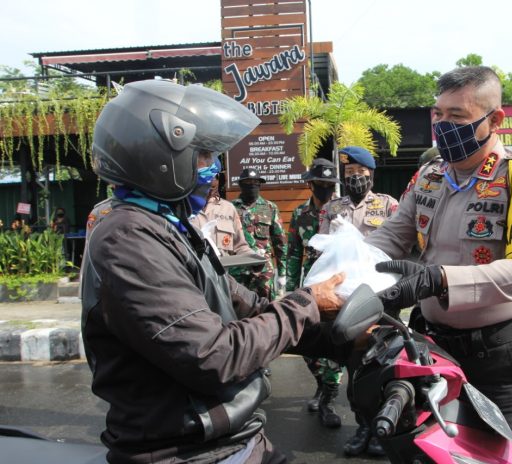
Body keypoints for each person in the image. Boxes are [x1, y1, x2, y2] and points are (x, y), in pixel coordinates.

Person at [80, 79, 355, 464]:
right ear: (160, 159)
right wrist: (307, 304)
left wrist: (342, 341)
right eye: (204, 155)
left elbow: (243, 303)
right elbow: (214, 356)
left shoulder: (169, 226)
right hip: (187, 451)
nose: (213, 169)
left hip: (230, 437)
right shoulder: (128, 239)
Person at [364, 66, 512, 461]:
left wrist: (438, 280)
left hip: (499, 352)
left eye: (457, 117)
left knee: (505, 451)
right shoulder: (429, 176)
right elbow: (392, 235)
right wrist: (349, 263)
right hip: (433, 346)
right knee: (438, 445)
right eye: (438, 115)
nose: (443, 126)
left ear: (494, 120)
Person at [317, 145, 399, 458]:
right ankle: (363, 424)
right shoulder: (332, 209)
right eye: (349, 174)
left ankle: (382, 425)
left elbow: (399, 248)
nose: (354, 179)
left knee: (383, 360)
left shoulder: (388, 205)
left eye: (359, 173)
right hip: (347, 298)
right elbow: (323, 249)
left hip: (381, 295)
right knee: (355, 363)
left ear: (371, 175)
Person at [286, 158, 343, 429]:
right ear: (310, 184)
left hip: (337, 289)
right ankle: (322, 385)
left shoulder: (342, 213)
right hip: (309, 289)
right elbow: (294, 255)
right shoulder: (300, 215)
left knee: (334, 344)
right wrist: (289, 291)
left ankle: (329, 401)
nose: (325, 190)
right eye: (320, 184)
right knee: (307, 344)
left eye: (330, 185)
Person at [230, 168, 287, 300]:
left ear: (260, 185)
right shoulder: (231, 208)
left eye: (255, 182)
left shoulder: (270, 207)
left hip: (263, 272)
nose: (252, 186)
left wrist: (282, 274)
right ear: (241, 185)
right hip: (238, 270)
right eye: (248, 182)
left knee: (266, 310)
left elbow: (280, 242)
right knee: (239, 309)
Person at [191, 165, 253, 257]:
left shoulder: (228, 208)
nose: (212, 180)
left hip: (223, 269)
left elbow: (240, 246)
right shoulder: (184, 207)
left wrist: (253, 259)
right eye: (206, 175)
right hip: (195, 269)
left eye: (216, 176)